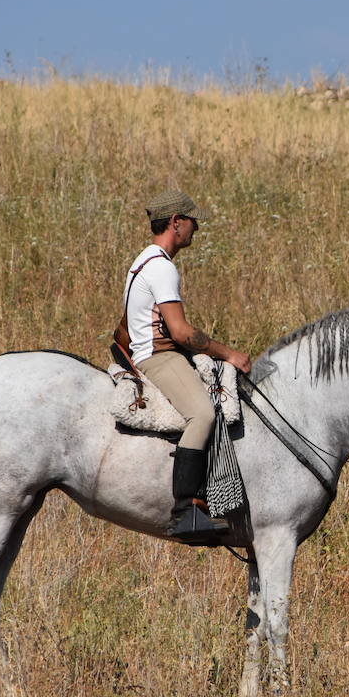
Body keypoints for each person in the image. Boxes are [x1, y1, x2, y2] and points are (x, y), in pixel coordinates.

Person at [122, 189, 252, 544]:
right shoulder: (162, 267)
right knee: (203, 414)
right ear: (176, 223)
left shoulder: (144, 261)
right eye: (192, 221)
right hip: (158, 356)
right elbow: (180, 332)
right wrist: (230, 353)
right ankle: (186, 510)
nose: (196, 228)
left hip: (153, 351)